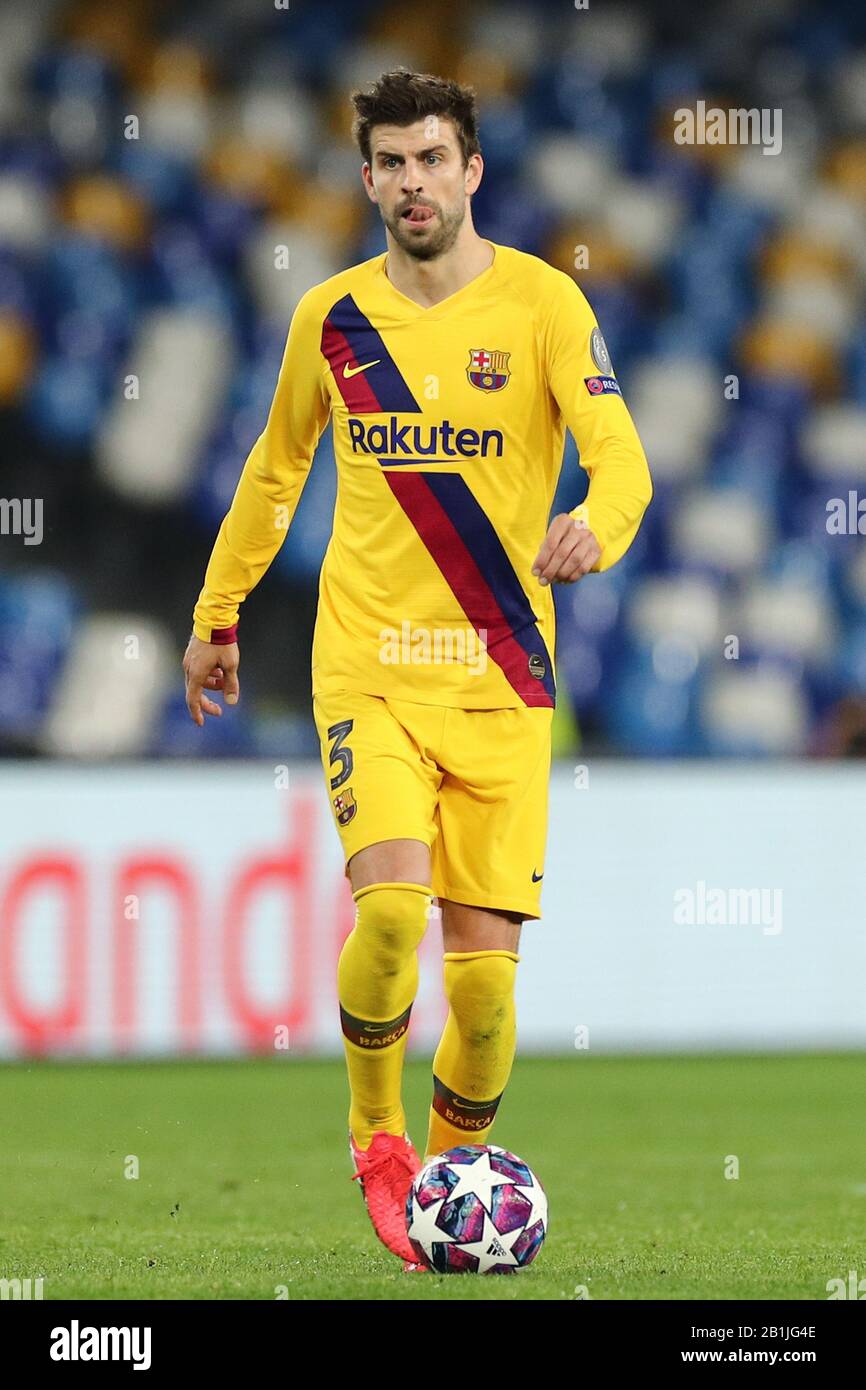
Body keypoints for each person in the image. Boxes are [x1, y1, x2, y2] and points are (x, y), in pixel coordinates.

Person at [183, 69, 652, 1271]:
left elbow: (620, 458)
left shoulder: (543, 307)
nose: (410, 183)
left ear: (471, 170)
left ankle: (447, 1180)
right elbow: (274, 471)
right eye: (388, 163)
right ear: (365, 178)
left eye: (430, 159)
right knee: (388, 911)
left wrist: (599, 521)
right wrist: (216, 612)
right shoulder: (330, 319)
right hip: (371, 669)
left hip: (501, 681)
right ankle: (376, 1135)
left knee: (486, 1000)